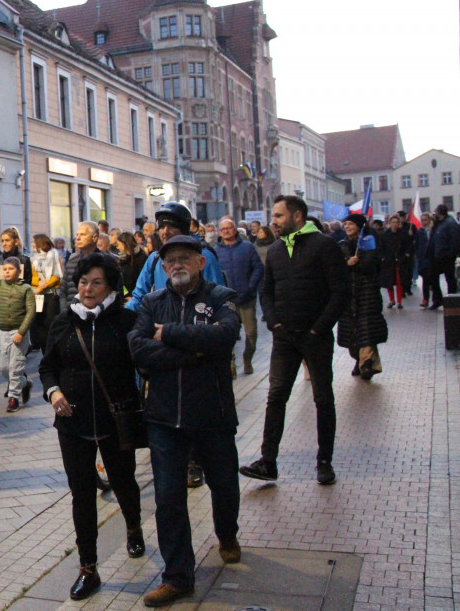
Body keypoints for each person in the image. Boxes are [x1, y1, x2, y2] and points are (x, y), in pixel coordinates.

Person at [128, 235, 241, 607]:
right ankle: (178, 577)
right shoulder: (151, 302)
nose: (176, 265)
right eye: (169, 261)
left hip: (213, 414)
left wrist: (171, 335)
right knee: (168, 498)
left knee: (223, 484)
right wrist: (194, 351)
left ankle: (226, 533)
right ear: (162, 268)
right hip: (164, 418)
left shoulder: (221, 297)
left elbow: (224, 337)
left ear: (200, 262)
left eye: (184, 258)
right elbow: (139, 349)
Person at [41, 253, 145, 601]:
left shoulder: (128, 321)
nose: (87, 289)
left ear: (110, 286)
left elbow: (146, 365)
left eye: (96, 282)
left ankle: (133, 525)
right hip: (73, 422)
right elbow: (47, 367)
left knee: (124, 482)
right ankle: (88, 567)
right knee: (81, 494)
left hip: (116, 421)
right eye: (83, 282)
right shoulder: (63, 321)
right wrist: (53, 391)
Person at [240, 196, 349, 485]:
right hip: (284, 337)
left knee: (323, 398)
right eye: (272, 216)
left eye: (278, 216)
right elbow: (267, 291)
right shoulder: (276, 250)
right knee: (276, 397)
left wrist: (318, 329)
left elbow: (340, 292)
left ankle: (324, 461)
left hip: (316, 337)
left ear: (297, 216)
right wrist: (274, 322)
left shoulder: (324, 246)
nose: (272, 222)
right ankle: (268, 461)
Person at [0, 254, 34, 411]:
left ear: (19, 271)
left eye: (11, 269)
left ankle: (13, 398)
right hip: (3, 331)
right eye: (5, 269)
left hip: (19, 333)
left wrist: (22, 332)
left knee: (15, 366)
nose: (7, 272)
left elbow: (31, 312)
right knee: (3, 367)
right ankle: (25, 383)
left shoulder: (26, 289)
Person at [338, 214, 388, 380]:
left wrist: (356, 263)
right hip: (348, 295)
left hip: (367, 293)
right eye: (346, 224)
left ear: (359, 226)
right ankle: (359, 359)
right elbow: (336, 266)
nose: (347, 227)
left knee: (366, 329)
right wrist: (346, 263)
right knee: (351, 332)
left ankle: (367, 363)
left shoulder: (369, 243)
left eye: (351, 224)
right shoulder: (342, 244)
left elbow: (370, 265)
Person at [214, 216, 264, 375]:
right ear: (219, 233)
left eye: (229, 228)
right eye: (223, 229)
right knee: (228, 335)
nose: (226, 231)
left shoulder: (247, 248)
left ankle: (247, 358)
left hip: (246, 298)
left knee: (251, 333)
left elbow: (258, 268)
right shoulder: (215, 251)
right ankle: (231, 363)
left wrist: (250, 288)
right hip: (226, 301)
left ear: (235, 230)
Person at [30, 233, 63, 349]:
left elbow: (57, 276)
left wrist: (44, 285)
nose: (32, 244)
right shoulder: (35, 257)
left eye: (34, 242)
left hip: (50, 295)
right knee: (40, 324)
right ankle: (44, 351)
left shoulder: (54, 256)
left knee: (50, 324)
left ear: (41, 243)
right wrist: (36, 284)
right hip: (38, 294)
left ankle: (52, 351)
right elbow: (34, 275)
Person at [427, 204, 458, 310]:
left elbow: (455, 240)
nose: (434, 213)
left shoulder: (450, 223)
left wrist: (451, 254)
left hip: (446, 257)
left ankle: (452, 299)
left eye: (436, 211)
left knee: (450, 278)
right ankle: (438, 300)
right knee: (433, 278)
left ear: (440, 212)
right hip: (437, 256)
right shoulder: (438, 224)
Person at [62, 222, 100, 305]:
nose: (78, 238)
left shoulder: (105, 261)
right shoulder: (72, 261)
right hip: (72, 312)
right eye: (77, 235)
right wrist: (65, 312)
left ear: (94, 238)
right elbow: (63, 291)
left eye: (82, 235)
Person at [380, 215, 411, 309]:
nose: (395, 224)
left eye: (397, 222)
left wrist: (406, 255)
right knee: (389, 282)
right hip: (389, 262)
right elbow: (381, 248)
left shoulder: (404, 234)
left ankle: (399, 301)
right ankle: (392, 300)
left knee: (399, 282)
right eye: (393, 222)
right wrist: (382, 257)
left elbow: (409, 246)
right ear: (390, 223)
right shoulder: (385, 235)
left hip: (400, 261)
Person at [116, 231, 147, 297]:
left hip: (135, 297)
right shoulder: (123, 258)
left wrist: (133, 297)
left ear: (125, 244)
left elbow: (142, 281)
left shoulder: (141, 258)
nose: (117, 247)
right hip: (125, 296)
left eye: (119, 244)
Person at [416, 212, 434, 307]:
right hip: (424, 260)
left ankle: (436, 299)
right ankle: (425, 299)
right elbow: (417, 245)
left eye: (425, 220)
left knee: (434, 281)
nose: (423, 222)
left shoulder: (433, 230)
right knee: (425, 281)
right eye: (422, 220)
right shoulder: (420, 232)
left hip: (433, 259)